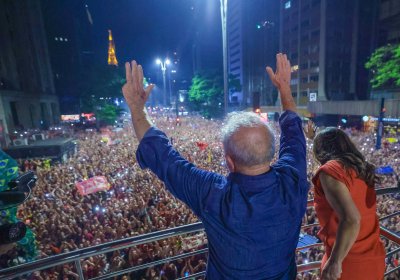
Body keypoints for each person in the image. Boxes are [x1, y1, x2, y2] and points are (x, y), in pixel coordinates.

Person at [122, 53, 308, 279]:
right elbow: (294, 133)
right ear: (272, 153)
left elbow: (164, 158)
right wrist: (285, 89)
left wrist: (136, 107)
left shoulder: (213, 194)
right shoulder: (293, 180)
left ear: (229, 161)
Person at [305, 123, 386, 280]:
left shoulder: (329, 170)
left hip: (347, 263)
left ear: (321, 149)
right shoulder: (359, 168)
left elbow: (351, 219)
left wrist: (335, 262)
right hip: (372, 257)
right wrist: (315, 137)